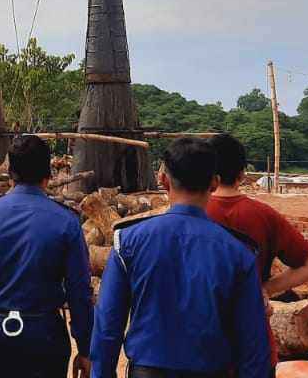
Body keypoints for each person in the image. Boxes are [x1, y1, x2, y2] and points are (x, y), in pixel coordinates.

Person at [90, 137, 270, 378]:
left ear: (163, 180)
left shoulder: (129, 241)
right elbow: (253, 343)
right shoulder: (238, 252)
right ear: (215, 183)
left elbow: (106, 327)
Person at [0, 134, 93, 378]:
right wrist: (85, 348)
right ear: (48, 175)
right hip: (46, 335)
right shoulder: (67, 221)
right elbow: (79, 291)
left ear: (10, 173)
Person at [207, 134, 308, 373]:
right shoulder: (263, 214)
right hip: (253, 339)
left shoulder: (192, 215)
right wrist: (266, 289)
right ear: (242, 174)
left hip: (200, 338)